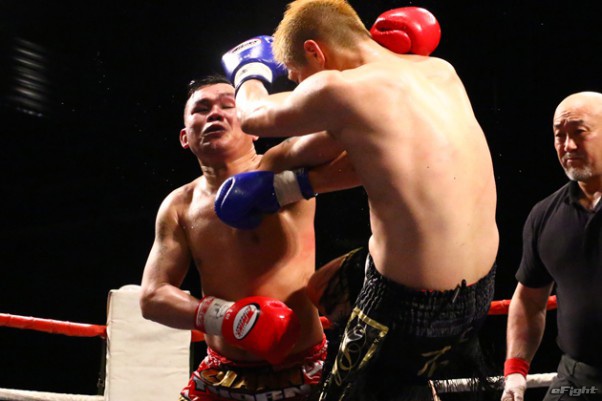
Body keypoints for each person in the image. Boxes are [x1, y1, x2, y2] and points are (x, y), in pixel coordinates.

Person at [215, 1, 499, 400]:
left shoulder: (339, 89)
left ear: (315, 51)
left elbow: (253, 115)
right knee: (322, 287)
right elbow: (344, 153)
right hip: (481, 289)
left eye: (298, 76)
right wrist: (282, 185)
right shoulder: (440, 72)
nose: (301, 86)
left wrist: (249, 69)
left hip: (409, 308)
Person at [139, 75, 335, 401]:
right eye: (202, 109)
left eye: (228, 105)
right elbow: (152, 297)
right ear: (185, 137)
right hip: (220, 374)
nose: (215, 113)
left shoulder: (284, 164)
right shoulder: (179, 205)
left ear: (253, 125)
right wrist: (226, 317)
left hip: (303, 369)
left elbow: (349, 133)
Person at [501, 91, 602, 401]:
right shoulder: (545, 215)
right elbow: (530, 300)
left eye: (579, 132)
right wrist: (516, 372)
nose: (568, 145)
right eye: (560, 135)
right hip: (579, 377)